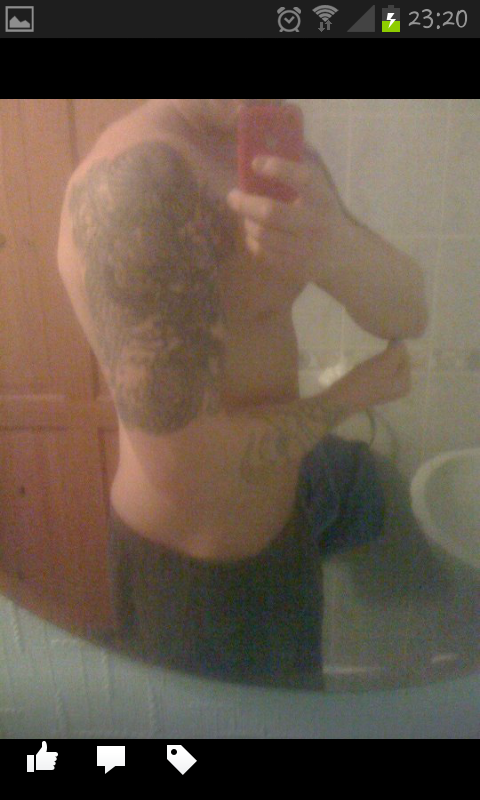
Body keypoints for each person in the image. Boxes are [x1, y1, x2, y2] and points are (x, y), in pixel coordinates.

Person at [57, 99, 428, 688]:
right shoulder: (137, 191)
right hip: (195, 578)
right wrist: (348, 397)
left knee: (293, 711)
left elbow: (408, 312)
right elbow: (190, 469)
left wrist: (336, 247)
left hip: (286, 528)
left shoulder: (275, 155)